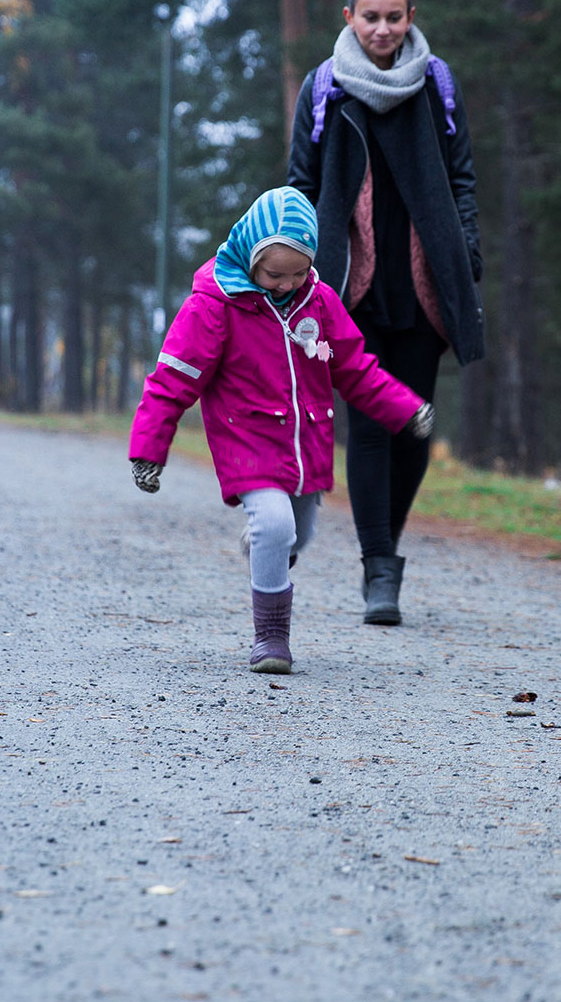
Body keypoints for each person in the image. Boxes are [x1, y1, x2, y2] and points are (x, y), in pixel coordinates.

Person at [128, 188, 433, 674]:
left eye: (299, 272)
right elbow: (173, 379)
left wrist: (406, 409)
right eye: (275, 274)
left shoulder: (320, 302)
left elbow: (354, 369)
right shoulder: (215, 306)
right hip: (247, 444)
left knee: (297, 534)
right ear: (250, 255)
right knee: (275, 524)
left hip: (306, 446)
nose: (287, 284)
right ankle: (271, 638)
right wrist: (149, 450)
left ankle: (266, 549)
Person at [287, 0, 484, 627]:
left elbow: (461, 178)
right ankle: (379, 569)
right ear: (349, 16)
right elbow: (301, 186)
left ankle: (386, 551)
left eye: (393, 17)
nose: (381, 29)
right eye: (369, 17)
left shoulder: (437, 86)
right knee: (369, 426)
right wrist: (299, 265)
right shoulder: (324, 88)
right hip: (351, 289)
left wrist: (470, 250)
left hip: (424, 290)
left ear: (410, 17)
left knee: (414, 428)